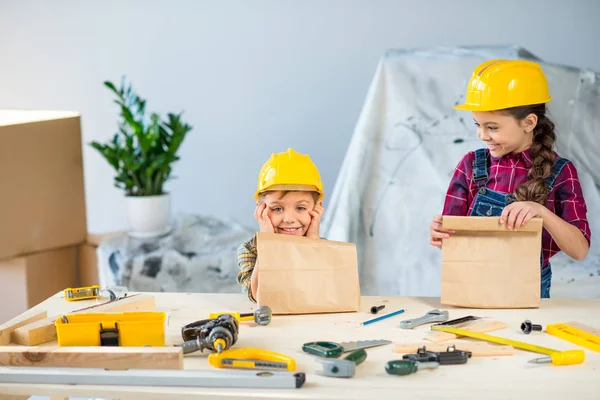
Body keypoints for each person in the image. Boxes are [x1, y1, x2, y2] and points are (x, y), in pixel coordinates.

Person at [430, 59, 591, 298]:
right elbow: (453, 240)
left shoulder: (560, 172)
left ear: (529, 123)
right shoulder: (470, 166)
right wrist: (440, 233)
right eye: (478, 125)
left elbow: (579, 251)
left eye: (492, 127)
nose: (482, 135)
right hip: (473, 284)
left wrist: (541, 212)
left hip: (528, 287)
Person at [237, 148, 325, 302]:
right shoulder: (250, 250)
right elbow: (258, 296)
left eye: (300, 208)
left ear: (317, 208)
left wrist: (312, 240)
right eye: (277, 208)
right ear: (261, 209)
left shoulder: (324, 248)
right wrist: (267, 241)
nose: (289, 219)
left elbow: (322, 292)